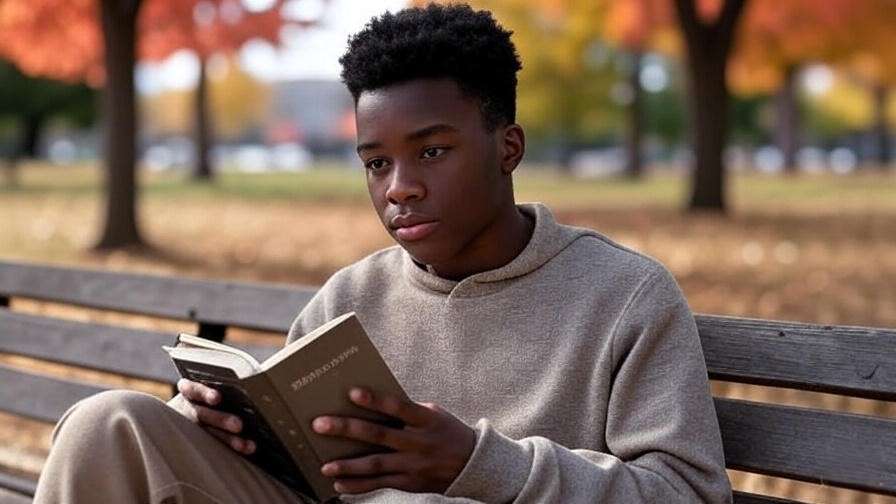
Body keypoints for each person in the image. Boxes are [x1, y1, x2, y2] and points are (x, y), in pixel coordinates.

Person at [33, 4, 733, 503]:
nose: (400, 188)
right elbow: (297, 466)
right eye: (375, 163)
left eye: (431, 151)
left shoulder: (624, 296)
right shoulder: (350, 297)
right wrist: (214, 424)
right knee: (111, 423)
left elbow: (690, 494)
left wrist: (483, 466)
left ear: (507, 148)